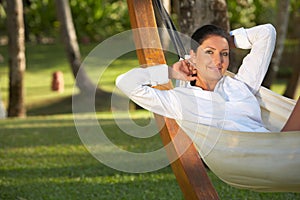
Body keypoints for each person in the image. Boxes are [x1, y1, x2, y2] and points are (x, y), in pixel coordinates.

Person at [116, 24, 299, 132]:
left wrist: (224, 39)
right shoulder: (181, 101)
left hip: (279, 148)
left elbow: (267, 32)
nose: (218, 61)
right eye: (209, 52)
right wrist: (170, 72)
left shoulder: (242, 85)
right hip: (258, 156)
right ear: (193, 56)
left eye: (224, 54)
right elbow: (125, 82)